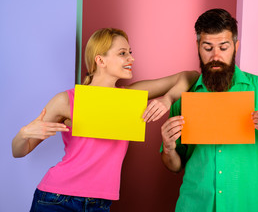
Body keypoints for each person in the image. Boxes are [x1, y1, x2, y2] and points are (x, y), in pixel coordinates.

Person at [12, 28, 199, 212]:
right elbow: (20, 151)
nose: (131, 59)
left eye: (130, 53)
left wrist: (168, 99)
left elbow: (191, 76)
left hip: (100, 204)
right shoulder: (67, 100)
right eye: (123, 53)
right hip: (57, 200)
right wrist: (23, 134)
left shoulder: (131, 98)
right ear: (100, 60)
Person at [160, 9, 258, 212]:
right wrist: (169, 147)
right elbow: (174, 166)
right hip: (194, 205)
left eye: (223, 47)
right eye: (208, 47)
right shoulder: (184, 95)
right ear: (198, 47)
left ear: (235, 46)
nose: (216, 55)